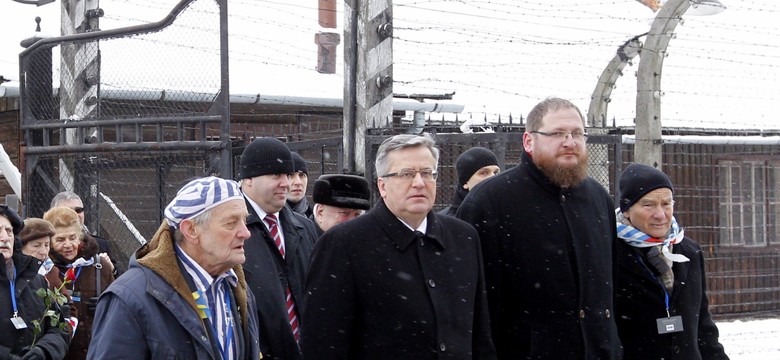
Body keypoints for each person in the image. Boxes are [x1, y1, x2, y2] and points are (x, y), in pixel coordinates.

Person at [302, 134, 496, 359]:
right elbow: (323, 344)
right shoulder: (343, 244)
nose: (419, 183)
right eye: (406, 174)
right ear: (382, 186)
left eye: (426, 173)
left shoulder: (464, 237)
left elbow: (480, 334)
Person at [457, 97, 621, 359]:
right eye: (557, 133)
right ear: (528, 141)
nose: (570, 142)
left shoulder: (598, 198)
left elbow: (610, 288)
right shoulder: (489, 202)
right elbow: (472, 305)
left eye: (577, 133)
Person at [87, 176, 261, 359]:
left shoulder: (237, 289)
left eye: (244, 221)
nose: (246, 233)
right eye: (231, 223)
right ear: (191, 230)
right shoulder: (131, 298)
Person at [614, 163, 729, 359]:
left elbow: (703, 328)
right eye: (648, 204)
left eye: (666, 204)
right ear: (626, 209)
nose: (660, 214)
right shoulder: (609, 254)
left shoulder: (689, 252)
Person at [238, 138, 318, 360]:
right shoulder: (231, 229)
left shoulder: (304, 228)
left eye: (289, 174)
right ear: (249, 179)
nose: (287, 183)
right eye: (276, 175)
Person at [43, 207, 114, 360]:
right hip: (63, 353)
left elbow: (118, 311)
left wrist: (106, 306)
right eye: (60, 240)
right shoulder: (45, 271)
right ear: (49, 242)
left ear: (80, 237)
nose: (68, 245)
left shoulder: (99, 266)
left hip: (97, 351)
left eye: (72, 238)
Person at [0, 205, 69, 360]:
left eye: (9, 231)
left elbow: (59, 329)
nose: (4, 237)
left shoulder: (36, 281)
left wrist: (43, 351)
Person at [50, 192, 119, 277]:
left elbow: (118, 282)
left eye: (78, 210)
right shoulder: (43, 247)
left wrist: (111, 269)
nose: (75, 215)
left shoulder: (100, 244)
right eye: (68, 211)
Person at [438, 146, 501, 217]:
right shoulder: (447, 222)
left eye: (496, 173)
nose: (493, 177)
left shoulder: (507, 213)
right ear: (465, 183)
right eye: (484, 173)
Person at [287, 152, 313, 218]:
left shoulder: (315, 219)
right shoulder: (271, 220)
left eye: (302, 175)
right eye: (290, 175)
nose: (298, 182)